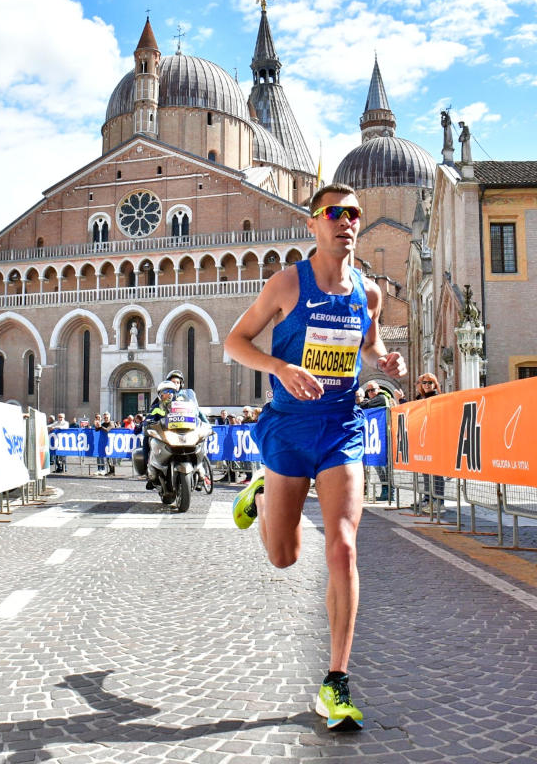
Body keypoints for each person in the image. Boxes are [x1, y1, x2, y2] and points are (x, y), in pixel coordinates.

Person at [224, 182, 406, 732]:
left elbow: (368, 343)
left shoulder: (367, 293)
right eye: (334, 213)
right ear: (313, 224)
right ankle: (263, 489)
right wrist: (280, 368)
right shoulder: (287, 284)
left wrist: (385, 360)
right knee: (283, 556)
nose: (345, 222)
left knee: (344, 547)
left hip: (341, 427)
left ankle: (336, 681)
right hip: (287, 428)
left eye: (353, 214)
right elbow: (236, 341)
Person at [414, 374, 447, 508]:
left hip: (436, 438)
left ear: (435, 384)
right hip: (423, 439)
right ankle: (428, 497)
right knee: (425, 469)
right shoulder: (419, 399)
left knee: (437, 471)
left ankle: (439, 500)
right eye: (424, 383)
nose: (427, 385)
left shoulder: (438, 398)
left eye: (430, 382)